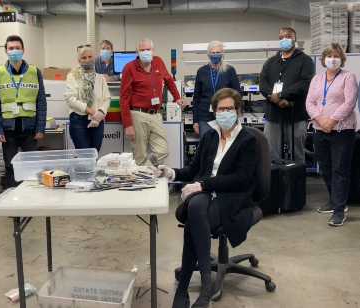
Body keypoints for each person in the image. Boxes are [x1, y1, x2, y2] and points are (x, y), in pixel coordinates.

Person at [151, 88, 258, 308]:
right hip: (206, 192)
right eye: (221, 109)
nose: (225, 112)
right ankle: (205, 287)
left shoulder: (248, 139)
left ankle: (186, 290)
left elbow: (241, 178)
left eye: (229, 108)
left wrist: (202, 184)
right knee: (196, 207)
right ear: (215, 111)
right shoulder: (210, 135)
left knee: (193, 220)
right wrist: (170, 172)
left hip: (231, 196)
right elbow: (194, 169)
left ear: (238, 111)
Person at [306, 43, 358, 227]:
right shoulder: (316, 80)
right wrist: (320, 119)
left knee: (340, 170)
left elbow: (349, 103)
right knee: (326, 169)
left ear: (342, 59)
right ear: (323, 59)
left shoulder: (348, 78)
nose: (332, 59)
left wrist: (331, 121)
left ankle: (339, 210)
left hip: (342, 130)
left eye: (336, 56)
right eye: (329, 56)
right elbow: (310, 102)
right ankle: (334, 201)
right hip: (320, 130)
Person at [0, 35, 47, 188]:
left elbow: (41, 101)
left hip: (29, 128)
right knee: (10, 167)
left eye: (17, 48)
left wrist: (40, 127)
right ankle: (12, 202)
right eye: (11, 48)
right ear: (6, 51)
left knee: (30, 167)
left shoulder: (35, 72)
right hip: (8, 129)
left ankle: (29, 200)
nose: (14, 51)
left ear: (23, 50)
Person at [119, 37, 186, 166]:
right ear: (137, 52)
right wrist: (128, 124)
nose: (145, 52)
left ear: (153, 50)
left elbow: (169, 81)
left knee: (163, 150)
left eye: (148, 49)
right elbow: (124, 98)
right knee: (140, 154)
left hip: (156, 114)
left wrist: (177, 97)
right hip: (138, 115)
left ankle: (143, 171)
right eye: (142, 50)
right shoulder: (129, 68)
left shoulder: (158, 62)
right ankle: (143, 179)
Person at [259, 28, 314, 163]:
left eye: (288, 36)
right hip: (273, 115)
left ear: (295, 39)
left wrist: (282, 95)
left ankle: (297, 182)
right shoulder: (271, 62)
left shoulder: (305, 61)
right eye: (281, 37)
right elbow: (263, 84)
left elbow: (305, 83)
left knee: (297, 153)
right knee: (272, 153)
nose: (284, 39)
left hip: (296, 114)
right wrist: (277, 100)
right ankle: (275, 182)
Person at [65, 45, 111, 152]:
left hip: (97, 121)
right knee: (84, 158)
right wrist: (91, 111)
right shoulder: (73, 77)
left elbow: (107, 98)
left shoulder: (100, 79)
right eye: (84, 58)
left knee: (94, 155)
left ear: (94, 58)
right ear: (79, 60)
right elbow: (71, 99)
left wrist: (99, 113)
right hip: (79, 121)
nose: (87, 60)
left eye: (90, 57)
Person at [192, 40, 241, 137]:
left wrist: (236, 115)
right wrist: (195, 120)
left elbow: (237, 94)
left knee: (226, 144)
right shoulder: (201, 71)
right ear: (208, 55)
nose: (215, 55)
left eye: (218, 52)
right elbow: (196, 97)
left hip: (225, 115)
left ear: (222, 54)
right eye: (212, 52)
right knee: (207, 146)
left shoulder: (229, 70)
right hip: (205, 116)